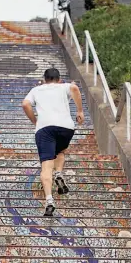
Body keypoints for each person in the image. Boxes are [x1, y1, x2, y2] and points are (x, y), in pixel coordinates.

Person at [22, 67, 85, 216]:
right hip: (66, 127)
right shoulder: (64, 86)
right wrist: (80, 111)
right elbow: (75, 88)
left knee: (46, 165)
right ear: (59, 79)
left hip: (45, 129)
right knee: (60, 151)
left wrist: (34, 121)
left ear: (44, 80)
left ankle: (49, 199)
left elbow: (25, 104)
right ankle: (59, 174)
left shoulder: (36, 90)